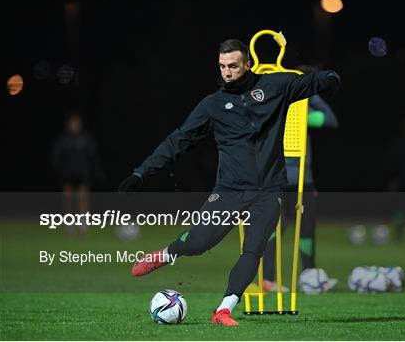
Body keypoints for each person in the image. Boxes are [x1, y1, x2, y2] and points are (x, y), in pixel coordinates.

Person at [118, 39, 341, 325]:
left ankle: (223, 309)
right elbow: (178, 140)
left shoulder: (275, 87)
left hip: (268, 191)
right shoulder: (212, 106)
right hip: (229, 191)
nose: (227, 72)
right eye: (222, 66)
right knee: (198, 243)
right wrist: (141, 173)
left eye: (233, 66)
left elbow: (313, 82)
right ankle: (167, 253)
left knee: (254, 249)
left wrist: (331, 79)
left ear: (247, 64)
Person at [262, 65, 339, 293]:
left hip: (302, 177)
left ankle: (310, 275)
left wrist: (303, 110)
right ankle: (268, 280)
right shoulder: (278, 97)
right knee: (276, 227)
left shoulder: (303, 101)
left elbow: (330, 120)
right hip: (277, 175)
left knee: (305, 227)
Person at [51, 113, 104, 236]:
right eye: (72, 123)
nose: (74, 126)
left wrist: (96, 172)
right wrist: (60, 171)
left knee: (82, 200)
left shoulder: (84, 139)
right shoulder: (63, 141)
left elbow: (93, 157)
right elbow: (56, 158)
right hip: (67, 176)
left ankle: (82, 226)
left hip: (82, 175)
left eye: (76, 123)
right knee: (68, 200)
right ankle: (70, 225)